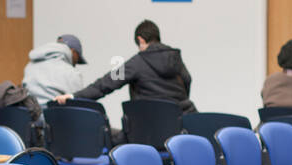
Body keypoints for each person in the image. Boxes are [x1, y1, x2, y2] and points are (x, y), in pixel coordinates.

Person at [55, 20, 194, 114]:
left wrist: (74, 96)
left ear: (140, 40)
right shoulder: (176, 59)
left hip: (148, 128)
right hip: (180, 123)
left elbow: (105, 85)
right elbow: (187, 80)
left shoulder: (137, 62)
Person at [21, 34, 85, 104]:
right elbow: (79, 104)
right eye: (77, 58)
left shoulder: (29, 66)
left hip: (28, 113)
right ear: (73, 52)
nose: (75, 64)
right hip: (55, 114)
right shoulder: (72, 72)